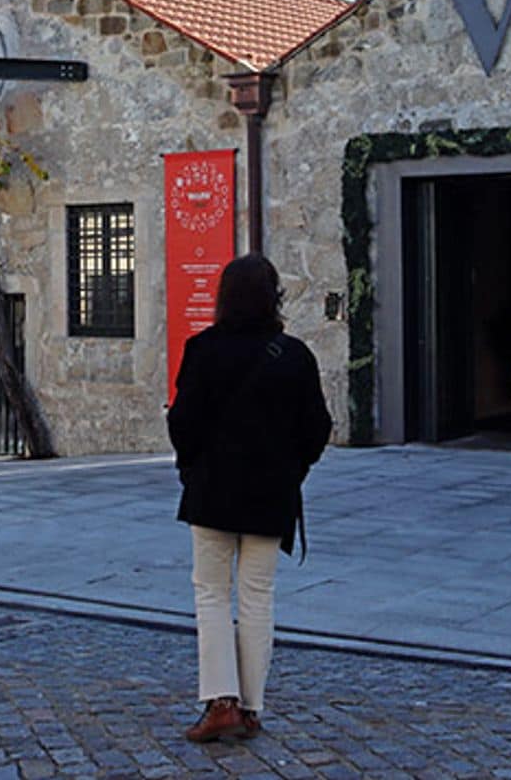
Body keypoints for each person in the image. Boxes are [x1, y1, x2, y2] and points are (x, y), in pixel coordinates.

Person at [167, 253, 332, 742]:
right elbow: (317, 430)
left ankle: (222, 702)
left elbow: (183, 423)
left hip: (213, 490)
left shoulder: (203, 349)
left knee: (212, 594)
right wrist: (291, 471)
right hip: (270, 494)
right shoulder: (295, 355)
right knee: (258, 598)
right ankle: (252, 707)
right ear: (273, 297)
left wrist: (192, 465)